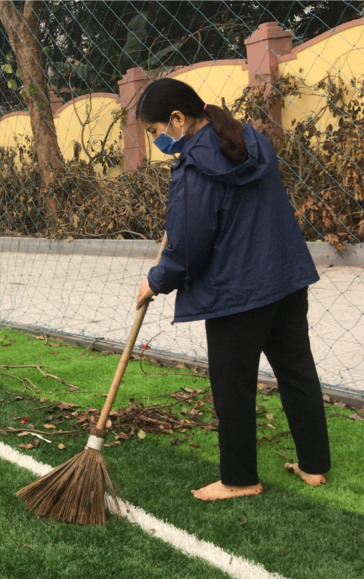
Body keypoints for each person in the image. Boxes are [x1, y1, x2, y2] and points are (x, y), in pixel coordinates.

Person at [134, 78, 330, 501]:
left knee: (232, 385)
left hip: (237, 293)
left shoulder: (193, 168)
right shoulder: (251, 141)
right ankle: (314, 465)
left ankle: (239, 480)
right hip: (285, 278)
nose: (156, 141)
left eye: (154, 131)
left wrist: (155, 281)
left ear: (177, 118)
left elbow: (189, 248)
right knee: (297, 371)